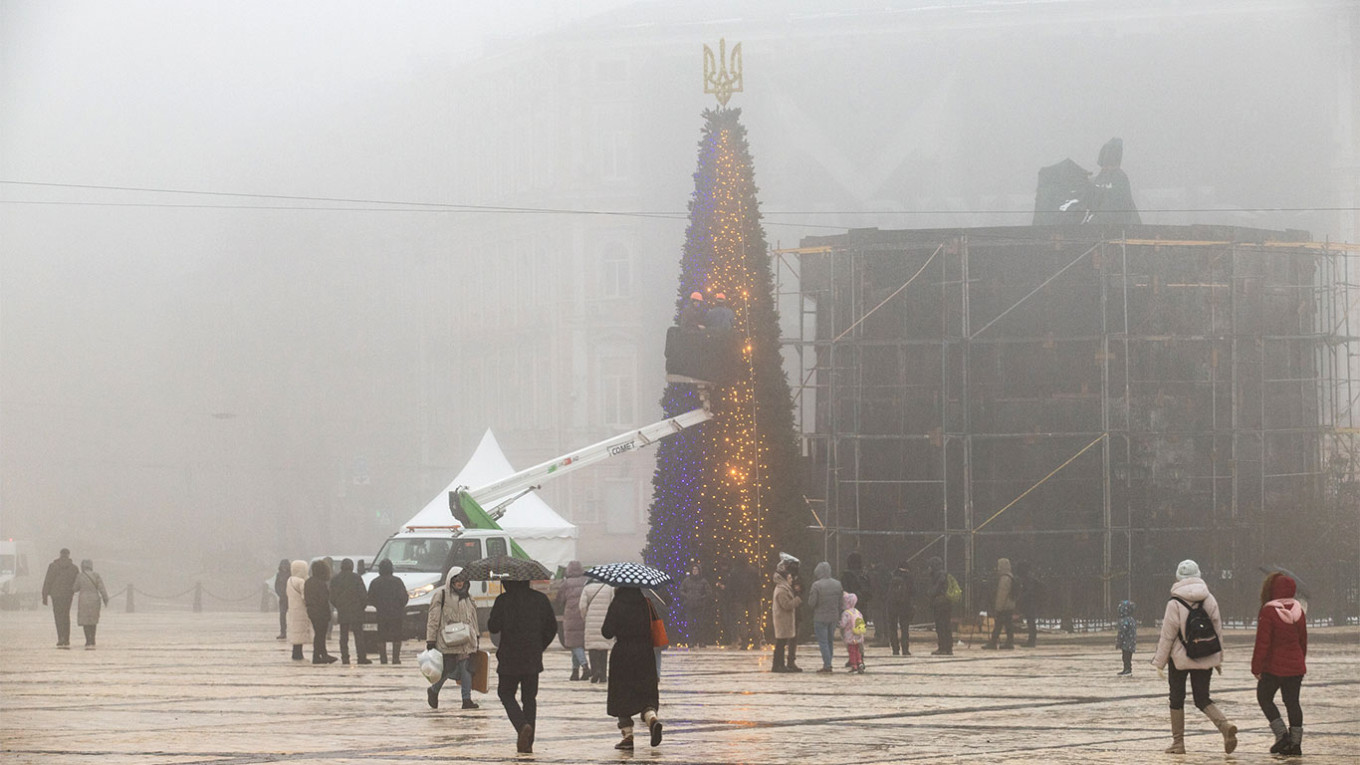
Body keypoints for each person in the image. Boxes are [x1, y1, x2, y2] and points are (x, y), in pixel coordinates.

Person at [1151, 559, 1236, 754]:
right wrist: (1218, 658)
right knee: (1202, 698)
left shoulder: (1174, 603)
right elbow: (1217, 631)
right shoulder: (1209, 599)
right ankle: (1224, 726)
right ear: (1198, 575)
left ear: (1178, 577)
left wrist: (1160, 663)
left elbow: (1168, 635)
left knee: (1176, 698)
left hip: (1179, 659)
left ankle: (1178, 743)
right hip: (1204, 655)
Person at [487, 579, 558, 754]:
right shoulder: (540, 599)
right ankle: (528, 743)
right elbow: (552, 627)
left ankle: (521, 726)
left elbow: (493, 627)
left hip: (509, 658)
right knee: (529, 699)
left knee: (505, 693)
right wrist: (540, 645)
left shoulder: (503, 600)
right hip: (532, 658)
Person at [1252, 571, 1307, 756]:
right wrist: (1300, 661)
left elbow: (1263, 642)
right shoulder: (1298, 610)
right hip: (1295, 666)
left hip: (1273, 667)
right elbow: (1303, 641)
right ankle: (1295, 743)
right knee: (1293, 702)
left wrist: (1256, 667)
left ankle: (1282, 734)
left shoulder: (1268, 611)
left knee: (1264, 697)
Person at [602, 586, 664, 750]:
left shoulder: (617, 603)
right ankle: (651, 718)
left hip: (622, 654)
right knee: (645, 691)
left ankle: (628, 736)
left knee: (622, 693)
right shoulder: (645, 602)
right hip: (645, 653)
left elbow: (606, 632)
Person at [426, 567, 481, 710]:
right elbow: (433, 619)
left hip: (466, 640)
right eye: (457, 580)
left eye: (462, 579)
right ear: (451, 580)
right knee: (448, 668)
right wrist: (430, 640)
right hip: (447, 640)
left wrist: (476, 637)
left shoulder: (468, 597)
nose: (460, 583)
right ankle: (433, 690)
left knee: (466, 668)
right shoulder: (441, 595)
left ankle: (466, 700)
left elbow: (473, 619)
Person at [368, 558, 409, 665]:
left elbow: (370, 598)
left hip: (381, 613)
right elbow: (404, 597)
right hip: (396, 614)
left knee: (381, 637)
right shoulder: (397, 581)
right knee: (397, 636)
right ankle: (396, 658)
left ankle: (383, 658)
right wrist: (400, 606)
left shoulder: (375, 582)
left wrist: (378, 606)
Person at [329, 558, 369, 665]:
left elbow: (332, 597)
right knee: (359, 635)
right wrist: (362, 607)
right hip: (357, 611)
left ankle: (345, 658)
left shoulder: (335, 579)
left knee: (343, 636)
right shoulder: (357, 578)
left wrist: (339, 606)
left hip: (343, 610)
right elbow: (363, 595)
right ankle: (361, 657)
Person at [556, 560, 590, 681]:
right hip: (584, 614)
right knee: (577, 644)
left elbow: (560, 599)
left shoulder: (566, 584)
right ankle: (574, 672)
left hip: (570, 616)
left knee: (574, 644)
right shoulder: (586, 581)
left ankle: (585, 666)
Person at [807, 561, 843, 673]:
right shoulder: (838, 584)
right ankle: (829, 662)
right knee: (830, 641)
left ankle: (827, 665)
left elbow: (811, 603)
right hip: (833, 617)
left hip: (820, 617)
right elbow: (840, 602)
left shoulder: (816, 585)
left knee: (823, 642)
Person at [41, 548, 79, 648]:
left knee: (58, 616)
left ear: (60, 554)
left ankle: (60, 637)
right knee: (66, 615)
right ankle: (66, 638)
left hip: (56, 595)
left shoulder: (53, 566)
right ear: (68, 555)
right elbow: (77, 582)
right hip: (67, 595)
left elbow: (48, 581)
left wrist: (44, 595)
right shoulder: (74, 568)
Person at [580, 579, 615, 684]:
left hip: (591, 620)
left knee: (593, 648)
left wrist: (585, 617)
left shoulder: (586, 589)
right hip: (605, 620)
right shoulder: (610, 588)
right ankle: (603, 675)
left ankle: (595, 670)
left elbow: (582, 606)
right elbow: (613, 604)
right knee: (604, 649)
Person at [304, 559, 337, 664]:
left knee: (319, 634)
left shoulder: (308, 582)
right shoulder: (321, 583)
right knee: (320, 635)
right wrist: (328, 613)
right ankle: (318, 656)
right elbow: (324, 599)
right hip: (320, 612)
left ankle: (321, 654)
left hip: (311, 611)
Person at [770, 561, 801, 672]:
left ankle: (778, 665)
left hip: (784, 620)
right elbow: (786, 605)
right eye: (789, 577)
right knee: (780, 644)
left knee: (781, 643)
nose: (791, 579)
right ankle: (779, 665)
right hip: (782, 620)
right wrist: (797, 600)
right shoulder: (781, 590)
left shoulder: (784, 588)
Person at [72, 559, 109, 649]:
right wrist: (105, 598)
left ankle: (87, 639)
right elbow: (101, 588)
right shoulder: (96, 575)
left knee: (85, 621)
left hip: (83, 599)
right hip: (94, 599)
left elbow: (75, 588)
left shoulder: (80, 576)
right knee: (93, 620)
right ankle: (93, 638)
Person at [983, 557, 1016, 650]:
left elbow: (1002, 594)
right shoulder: (1010, 576)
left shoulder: (1005, 579)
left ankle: (993, 642)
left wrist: (998, 608)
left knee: (998, 625)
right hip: (1009, 605)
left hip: (1004, 606)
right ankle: (1009, 642)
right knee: (1008, 625)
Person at [678, 563, 713, 647]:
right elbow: (681, 590)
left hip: (700, 605)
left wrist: (701, 597)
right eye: (693, 570)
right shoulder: (687, 580)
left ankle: (701, 642)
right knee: (690, 624)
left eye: (696, 570)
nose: (694, 571)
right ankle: (691, 642)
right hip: (689, 605)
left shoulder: (703, 581)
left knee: (700, 624)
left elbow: (709, 592)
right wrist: (687, 596)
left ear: (699, 571)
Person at [285, 560, 311, 662]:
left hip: (292, 609)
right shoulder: (301, 582)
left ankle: (296, 653)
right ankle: (298, 654)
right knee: (300, 631)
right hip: (301, 610)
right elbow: (305, 596)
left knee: (295, 632)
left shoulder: (289, 580)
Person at [885, 562, 913, 656]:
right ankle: (905, 649)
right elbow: (913, 592)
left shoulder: (891, 576)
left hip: (892, 606)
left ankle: (895, 649)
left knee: (893, 628)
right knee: (905, 628)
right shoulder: (909, 577)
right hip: (905, 606)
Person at [927, 557, 953, 656]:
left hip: (940, 604)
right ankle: (948, 647)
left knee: (941, 626)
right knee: (946, 625)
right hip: (946, 603)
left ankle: (943, 647)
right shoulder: (944, 574)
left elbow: (935, 589)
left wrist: (930, 592)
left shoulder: (938, 575)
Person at [839, 592, 866, 673]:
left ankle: (854, 665)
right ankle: (860, 662)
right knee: (857, 650)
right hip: (858, 635)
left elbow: (843, 624)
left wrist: (839, 624)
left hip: (850, 635)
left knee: (851, 650)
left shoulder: (846, 613)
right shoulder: (857, 612)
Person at [1015, 560, 1039, 647]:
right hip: (1030, 602)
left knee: (1031, 621)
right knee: (1031, 621)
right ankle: (1031, 640)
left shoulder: (1028, 579)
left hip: (1030, 602)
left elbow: (1029, 591)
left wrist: (1021, 597)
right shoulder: (1029, 577)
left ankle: (1031, 641)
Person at [1116, 600, 1137, 675]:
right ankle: (1127, 669)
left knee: (1125, 657)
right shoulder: (1132, 620)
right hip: (1131, 643)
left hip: (1126, 643)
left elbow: (1122, 632)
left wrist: (1119, 642)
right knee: (1128, 657)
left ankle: (1127, 669)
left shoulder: (1125, 620)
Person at [273, 559, 290, 641]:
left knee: (294, 616)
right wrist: (280, 594)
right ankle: (283, 632)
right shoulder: (279, 575)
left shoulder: (291, 574)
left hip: (290, 598)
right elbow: (276, 586)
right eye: (283, 565)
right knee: (282, 615)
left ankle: (294, 632)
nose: (284, 567)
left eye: (285, 565)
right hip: (283, 599)